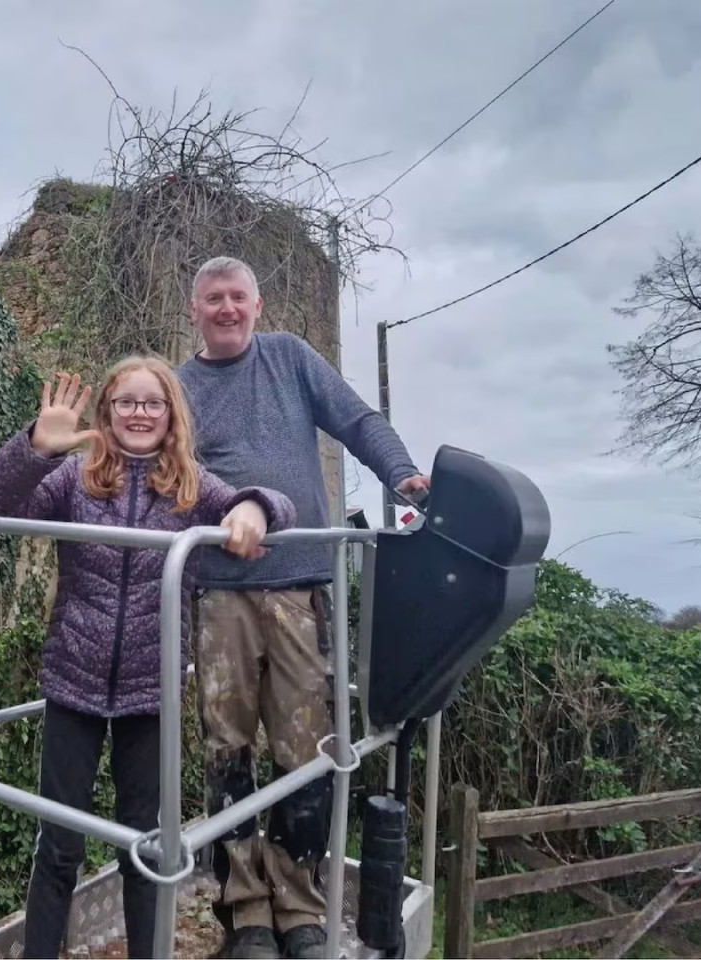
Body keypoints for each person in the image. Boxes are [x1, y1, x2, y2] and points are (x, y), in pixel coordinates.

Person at [0, 356, 297, 960]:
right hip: (74, 681)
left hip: (152, 690)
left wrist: (255, 508)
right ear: (107, 412)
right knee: (59, 842)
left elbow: (278, 503)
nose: (140, 413)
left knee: (143, 846)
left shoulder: (191, 485)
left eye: (153, 403)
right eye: (127, 402)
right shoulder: (73, 478)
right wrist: (35, 448)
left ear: (171, 414)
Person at [175, 257, 431, 960]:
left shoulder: (289, 357)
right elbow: (173, 476)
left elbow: (354, 417)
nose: (227, 308)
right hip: (219, 593)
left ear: (258, 306)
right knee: (227, 750)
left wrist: (402, 474)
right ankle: (245, 912)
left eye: (238, 297)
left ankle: (300, 909)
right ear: (194, 309)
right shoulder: (182, 386)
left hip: (299, 589)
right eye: (213, 299)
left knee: (303, 753)